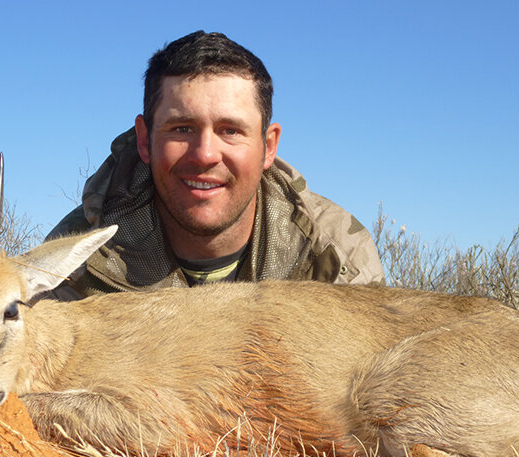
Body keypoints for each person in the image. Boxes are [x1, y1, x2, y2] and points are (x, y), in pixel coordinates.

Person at [47, 31, 384, 298]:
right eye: (182, 129)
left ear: (268, 147)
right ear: (145, 140)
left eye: (230, 130)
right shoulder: (70, 261)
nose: (205, 154)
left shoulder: (337, 260)